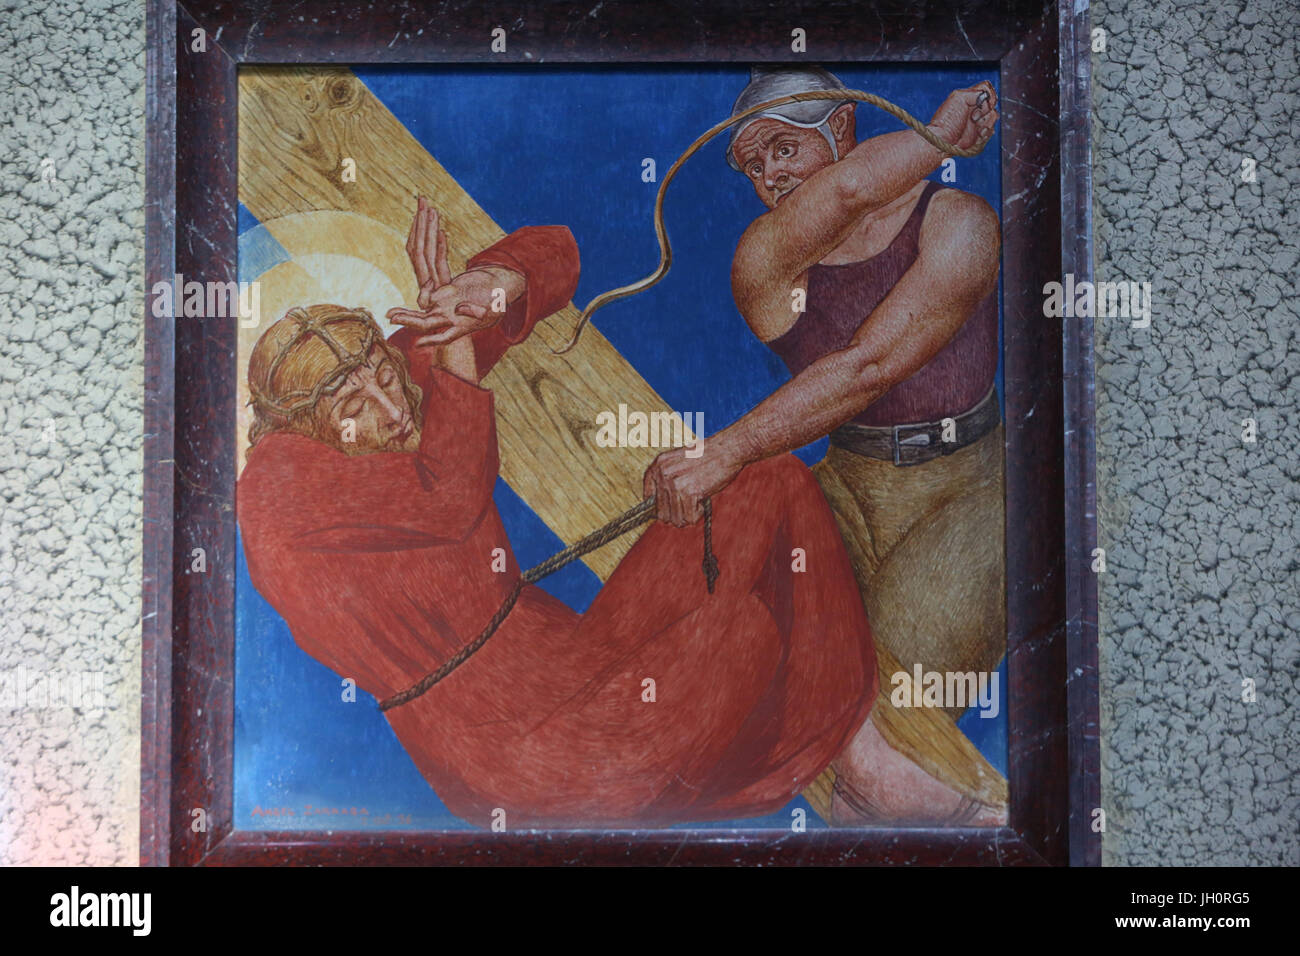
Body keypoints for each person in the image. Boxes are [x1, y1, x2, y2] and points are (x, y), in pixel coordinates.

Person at [238, 200, 899, 827]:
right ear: (305, 429)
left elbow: (557, 253)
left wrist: (485, 288)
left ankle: (863, 766)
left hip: (573, 661)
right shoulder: (279, 488)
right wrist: (459, 348)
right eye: (357, 411)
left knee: (761, 478)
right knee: (742, 635)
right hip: (515, 758)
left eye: (385, 377)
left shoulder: (379, 387)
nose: (392, 410)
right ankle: (666, 814)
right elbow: (451, 493)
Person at [641, 67, 1007, 824]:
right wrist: (934, 139)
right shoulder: (766, 264)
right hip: (847, 485)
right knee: (753, 652)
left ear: (842, 129)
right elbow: (840, 198)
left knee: (886, 721)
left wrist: (728, 450)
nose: (769, 175)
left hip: (971, 495)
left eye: (782, 147)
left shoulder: (962, 224)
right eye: (753, 165)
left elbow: (868, 366)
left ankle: (951, 818)